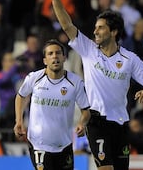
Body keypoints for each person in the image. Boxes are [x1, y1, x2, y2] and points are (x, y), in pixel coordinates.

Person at [40, 0, 143, 170]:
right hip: (96, 120)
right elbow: (67, 26)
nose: (95, 31)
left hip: (121, 121)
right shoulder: (89, 50)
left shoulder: (129, 59)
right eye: (95, 27)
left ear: (113, 32)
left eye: (100, 28)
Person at [14, 39, 91, 170]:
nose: (54, 56)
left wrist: (82, 123)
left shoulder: (75, 82)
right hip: (39, 144)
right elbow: (21, 96)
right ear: (45, 60)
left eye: (58, 53)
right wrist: (19, 121)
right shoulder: (34, 78)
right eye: (50, 54)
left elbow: (86, 110)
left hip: (64, 144)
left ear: (64, 58)